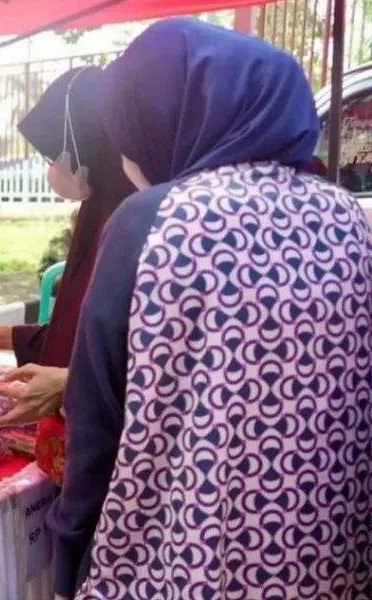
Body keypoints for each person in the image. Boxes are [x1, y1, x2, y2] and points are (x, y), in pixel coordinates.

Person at [50, 19, 372, 599]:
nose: (128, 156)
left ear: (170, 117)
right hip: (329, 555)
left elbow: (95, 419)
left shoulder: (155, 220)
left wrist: (70, 553)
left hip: (183, 561)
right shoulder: (349, 217)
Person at [0, 66, 136, 484]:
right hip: (72, 446)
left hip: (112, 456)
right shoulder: (97, 210)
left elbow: (134, 355)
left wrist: (69, 383)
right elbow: (78, 330)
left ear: (89, 145)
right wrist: (1, 337)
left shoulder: (138, 224)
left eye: (55, 156)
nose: (52, 169)